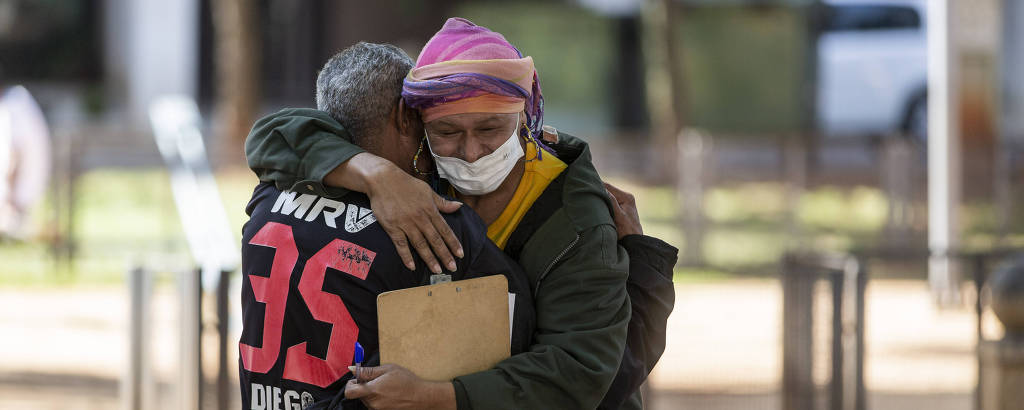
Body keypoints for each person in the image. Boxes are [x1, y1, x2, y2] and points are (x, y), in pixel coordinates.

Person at [247, 19, 677, 410]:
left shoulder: (576, 217)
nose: (471, 153)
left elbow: (583, 374)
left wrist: (437, 397)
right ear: (416, 124)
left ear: (526, 117)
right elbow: (276, 133)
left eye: (490, 129)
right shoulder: (421, 165)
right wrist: (377, 174)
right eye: (448, 132)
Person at [238, 43, 536, 410]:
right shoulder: (432, 225)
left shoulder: (269, 194)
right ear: (405, 116)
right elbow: (519, 329)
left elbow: (278, 136)